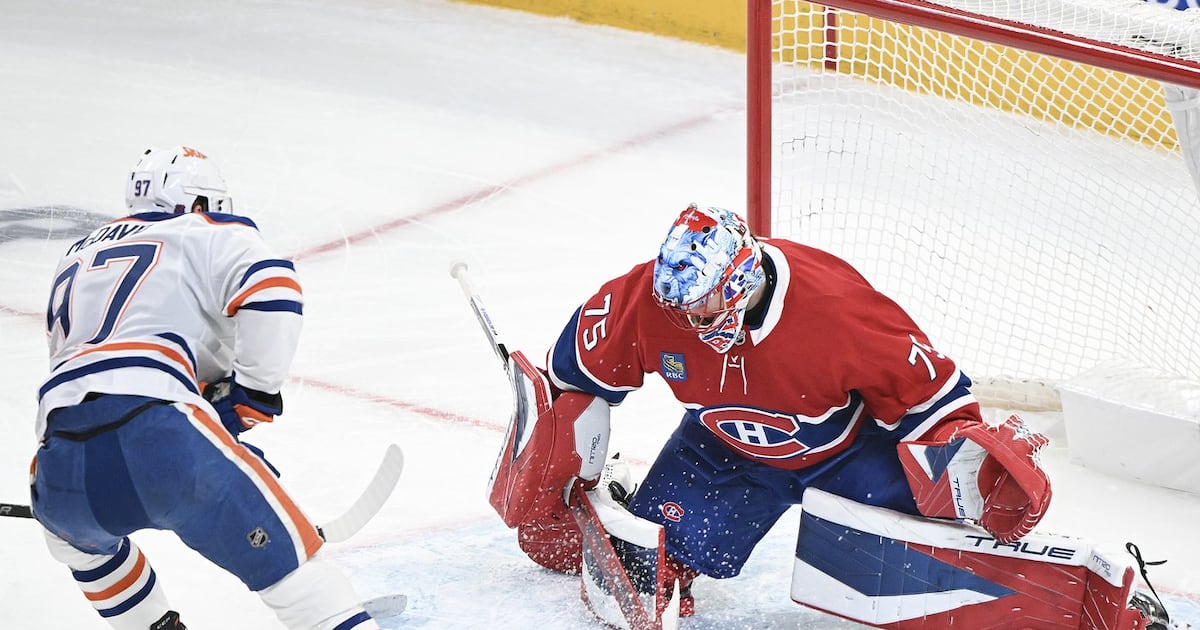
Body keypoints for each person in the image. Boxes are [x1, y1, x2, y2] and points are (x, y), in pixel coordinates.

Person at [489, 203, 1150, 628]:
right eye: (678, 308)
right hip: (722, 452)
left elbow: (930, 397)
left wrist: (965, 464)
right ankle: (649, 519)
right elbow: (571, 379)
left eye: (704, 307)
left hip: (849, 455)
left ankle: (1090, 602)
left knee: (943, 540)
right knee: (658, 566)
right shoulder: (651, 300)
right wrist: (554, 478)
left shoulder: (836, 310)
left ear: (740, 281)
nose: (687, 321)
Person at [30, 146, 380, 630]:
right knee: (299, 581)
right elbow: (272, 286)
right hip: (162, 436)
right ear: (197, 203)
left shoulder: (74, 256)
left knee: (79, 547)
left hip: (60, 463)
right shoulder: (199, 230)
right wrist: (251, 397)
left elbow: (86, 374)